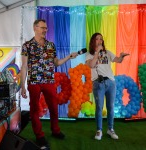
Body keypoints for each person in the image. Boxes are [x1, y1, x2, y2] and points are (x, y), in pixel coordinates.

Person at [20, 19, 78, 149]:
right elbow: (24, 66)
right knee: (34, 109)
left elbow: (56, 63)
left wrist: (69, 57)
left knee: (53, 107)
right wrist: (22, 86)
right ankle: (39, 136)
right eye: (42, 28)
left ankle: (55, 130)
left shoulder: (51, 45)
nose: (45, 30)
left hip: (49, 81)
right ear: (35, 27)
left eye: (46, 28)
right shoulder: (27, 46)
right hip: (34, 82)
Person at [85, 33, 129, 140]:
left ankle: (110, 129)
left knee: (111, 107)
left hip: (110, 83)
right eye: (97, 39)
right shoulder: (89, 54)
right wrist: (97, 52)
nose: (99, 41)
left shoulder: (108, 53)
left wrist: (121, 56)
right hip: (98, 83)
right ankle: (99, 130)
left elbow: (117, 60)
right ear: (93, 41)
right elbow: (91, 65)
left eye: (101, 39)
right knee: (99, 107)